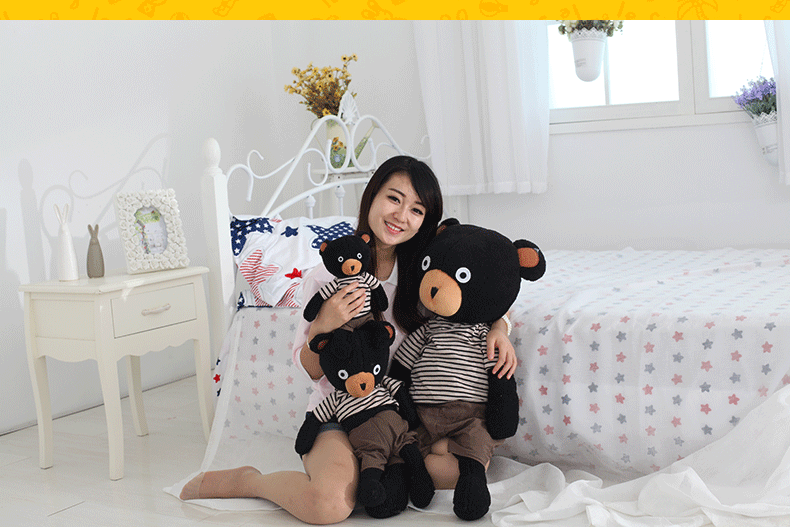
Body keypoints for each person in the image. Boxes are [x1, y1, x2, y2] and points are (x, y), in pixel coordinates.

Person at [180, 155, 517, 524]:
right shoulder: (325, 279)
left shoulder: (424, 275)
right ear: (371, 196)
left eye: (417, 209)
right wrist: (324, 324)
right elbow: (311, 370)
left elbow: (485, 289)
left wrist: (500, 327)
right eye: (394, 198)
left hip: (400, 420)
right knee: (329, 506)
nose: (401, 215)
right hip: (340, 414)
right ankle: (252, 481)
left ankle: (371, 474)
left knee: (464, 469)